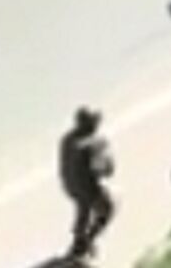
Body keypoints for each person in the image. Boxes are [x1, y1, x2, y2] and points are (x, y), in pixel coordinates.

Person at [59, 107, 115, 261]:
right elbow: (105, 170)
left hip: (70, 185)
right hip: (85, 185)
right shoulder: (91, 143)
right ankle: (86, 241)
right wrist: (106, 165)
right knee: (107, 209)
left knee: (83, 208)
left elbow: (68, 167)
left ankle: (80, 241)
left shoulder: (67, 139)